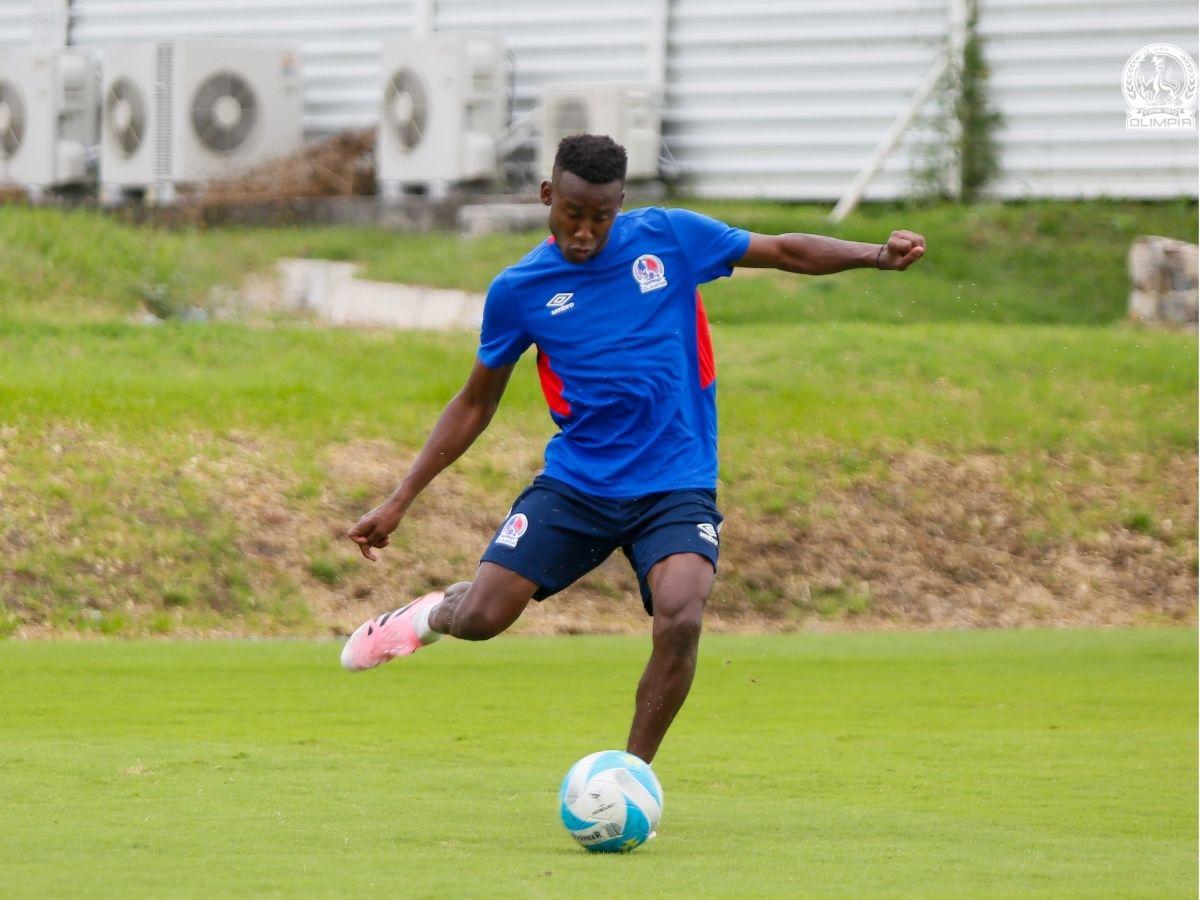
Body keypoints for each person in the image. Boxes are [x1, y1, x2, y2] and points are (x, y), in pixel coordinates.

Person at [342, 134, 926, 763]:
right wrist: (401, 499)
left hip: (676, 481)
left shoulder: (671, 238)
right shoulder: (519, 290)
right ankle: (432, 614)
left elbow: (783, 249)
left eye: (601, 216)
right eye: (572, 214)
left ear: (620, 203)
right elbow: (475, 403)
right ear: (547, 196)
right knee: (483, 619)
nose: (586, 231)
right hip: (578, 484)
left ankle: (628, 776)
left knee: (681, 616)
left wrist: (874, 255)